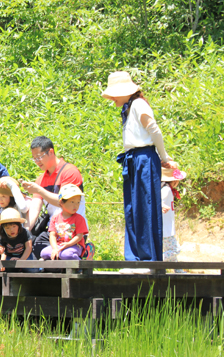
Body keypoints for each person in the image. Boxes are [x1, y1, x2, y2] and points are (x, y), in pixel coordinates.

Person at [102, 71, 177, 263]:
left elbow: (154, 130)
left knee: (146, 207)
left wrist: (163, 156)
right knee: (132, 208)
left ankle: (149, 259)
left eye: (114, 94)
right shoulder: (128, 108)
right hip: (133, 158)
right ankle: (134, 257)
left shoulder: (138, 104)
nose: (112, 98)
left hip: (144, 157)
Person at [20, 136, 87, 260]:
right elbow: (35, 209)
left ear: (51, 152)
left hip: (72, 229)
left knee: (60, 258)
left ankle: (86, 252)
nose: (37, 161)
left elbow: (64, 202)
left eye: (39, 157)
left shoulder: (70, 172)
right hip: (53, 230)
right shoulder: (40, 179)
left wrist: (39, 190)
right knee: (32, 250)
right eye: (34, 158)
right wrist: (25, 231)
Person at [40, 184, 88, 261]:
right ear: (61, 202)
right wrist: (55, 248)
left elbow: (79, 236)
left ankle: (81, 262)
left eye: (78, 202)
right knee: (44, 253)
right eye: (72, 202)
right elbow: (52, 235)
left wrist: (68, 244)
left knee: (66, 255)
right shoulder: (55, 218)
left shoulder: (79, 218)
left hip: (74, 245)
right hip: (59, 245)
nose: (76, 205)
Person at [0, 208, 38, 272]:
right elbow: (3, 252)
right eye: (7, 228)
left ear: (19, 225)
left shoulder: (25, 232)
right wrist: (2, 258)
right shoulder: (3, 235)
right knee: (5, 268)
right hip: (10, 257)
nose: (11, 230)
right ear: (3, 228)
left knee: (32, 269)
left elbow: (28, 248)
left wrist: (21, 260)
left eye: (14, 226)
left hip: (25, 255)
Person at [161, 167, 187, 273]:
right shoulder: (166, 190)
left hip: (167, 227)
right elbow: (158, 200)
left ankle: (178, 269)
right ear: (174, 180)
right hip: (165, 229)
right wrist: (162, 205)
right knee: (175, 249)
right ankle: (156, 262)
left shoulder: (168, 189)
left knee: (169, 250)